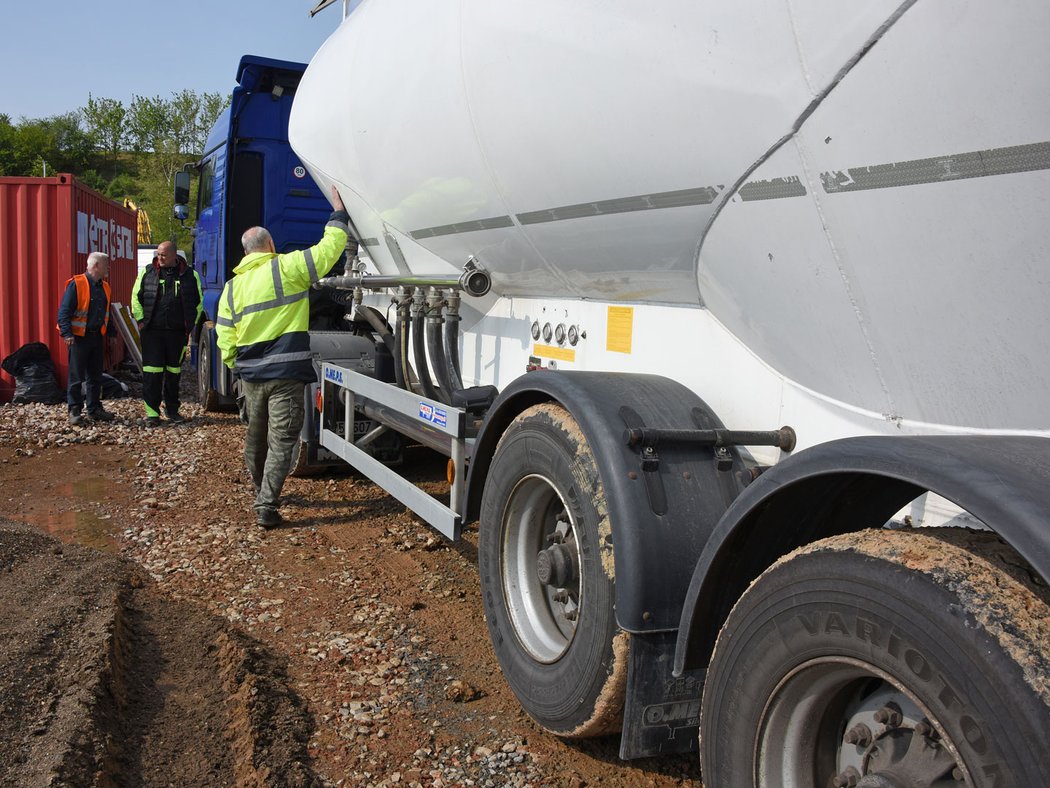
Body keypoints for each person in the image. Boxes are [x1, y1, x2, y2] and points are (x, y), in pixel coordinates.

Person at [215, 186, 349, 527]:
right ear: (270, 246)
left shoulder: (232, 288)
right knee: (283, 440)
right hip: (286, 374)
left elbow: (224, 335)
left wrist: (237, 366)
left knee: (255, 438)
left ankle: (261, 490)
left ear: (245, 253)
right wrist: (337, 214)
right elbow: (328, 251)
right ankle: (266, 506)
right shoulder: (287, 268)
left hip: (251, 376)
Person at [131, 240, 203, 426]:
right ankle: (152, 414)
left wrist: (190, 325)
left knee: (173, 373)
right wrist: (140, 321)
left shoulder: (189, 275)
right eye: (158, 254)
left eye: (163, 255)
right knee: (152, 373)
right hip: (152, 333)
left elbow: (198, 302)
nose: (159, 258)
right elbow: (135, 297)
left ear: (173, 255)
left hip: (177, 333)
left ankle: (172, 410)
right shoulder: (147, 272)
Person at [56, 252, 116, 426]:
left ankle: (94, 408)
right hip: (78, 339)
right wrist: (67, 334)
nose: (108, 268)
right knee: (76, 377)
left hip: (96, 337)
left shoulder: (104, 287)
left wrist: (111, 333)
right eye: (106, 264)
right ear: (96, 265)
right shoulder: (77, 284)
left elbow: (107, 313)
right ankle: (74, 410)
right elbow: (64, 313)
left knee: (95, 376)